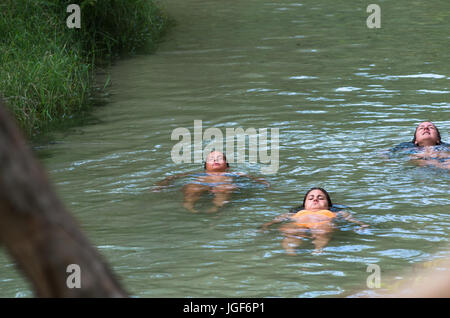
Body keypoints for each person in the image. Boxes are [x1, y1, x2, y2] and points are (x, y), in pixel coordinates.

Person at [260, 188, 368, 255]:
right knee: (290, 231)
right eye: (310, 198)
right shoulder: (295, 213)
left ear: (328, 204)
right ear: (305, 204)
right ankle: (290, 252)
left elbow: (351, 219)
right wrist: (266, 226)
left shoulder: (336, 213)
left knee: (321, 231)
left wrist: (361, 225)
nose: (315, 200)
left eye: (320, 198)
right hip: (298, 223)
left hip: (322, 224)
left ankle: (318, 249)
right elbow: (277, 219)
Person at [154, 151, 269, 213]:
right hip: (202, 183)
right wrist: (161, 185)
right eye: (211, 159)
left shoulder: (234, 173)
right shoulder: (199, 173)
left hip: (222, 185)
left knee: (224, 188)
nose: (215, 160)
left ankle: (216, 207)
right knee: (192, 187)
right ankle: (189, 206)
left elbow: (254, 178)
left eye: (219, 158)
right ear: (205, 166)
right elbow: (172, 177)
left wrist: (265, 183)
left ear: (227, 165)